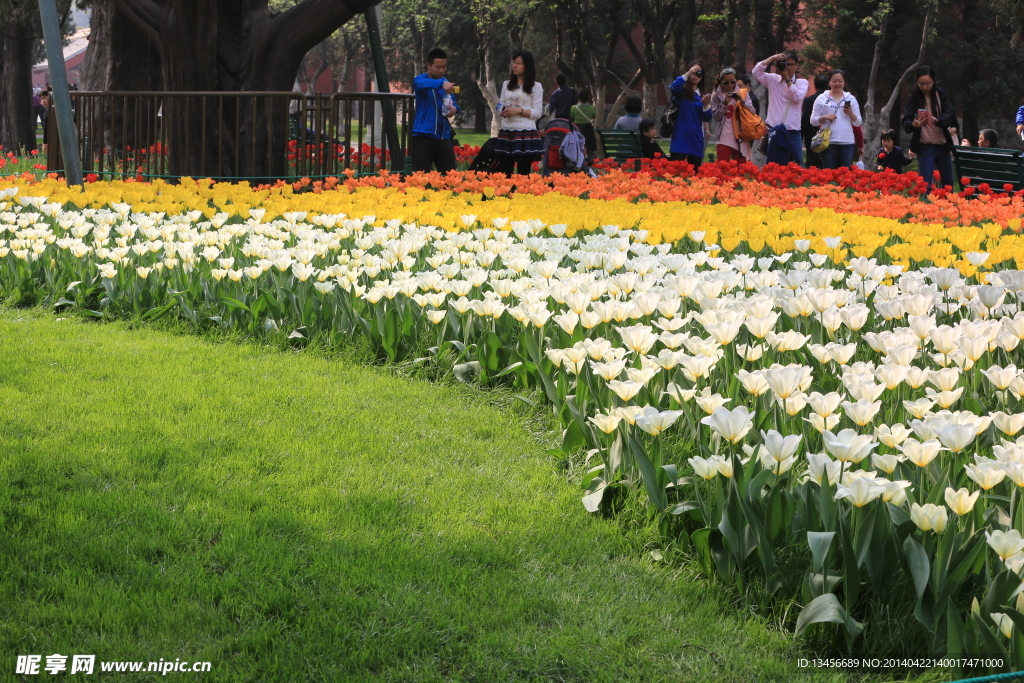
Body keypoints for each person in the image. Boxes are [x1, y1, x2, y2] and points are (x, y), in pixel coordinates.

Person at [901, 65, 956, 191]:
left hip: (943, 145)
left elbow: (949, 114)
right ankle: (927, 208)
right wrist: (913, 124)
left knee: (947, 182)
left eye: (928, 84)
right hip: (925, 146)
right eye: (921, 84)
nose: (924, 87)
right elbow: (906, 120)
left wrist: (938, 120)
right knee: (926, 183)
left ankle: (950, 207)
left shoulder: (942, 94)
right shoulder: (913, 97)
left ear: (934, 81)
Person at [753, 51, 808, 166]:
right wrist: (772, 57)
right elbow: (756, 72)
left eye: (791, 64)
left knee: (796, 166)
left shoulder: (802, 82)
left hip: (793, 132)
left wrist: (787, 79)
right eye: (785, 64)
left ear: (797, 66)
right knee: (774, 166)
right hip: (775, 131)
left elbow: (797, 98)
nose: (788, 67)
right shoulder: (772, 79)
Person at [494, 50, 544, 176]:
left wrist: (519, 111)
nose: (515, 66)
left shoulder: (535, 86)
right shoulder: (506, 84)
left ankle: (522, 195)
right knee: (505, 172)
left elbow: (537, 112)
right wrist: (502, 111)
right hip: (507, 131)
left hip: (525, 132)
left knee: (523, 173)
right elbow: (500, 104)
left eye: (519, 63)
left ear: (526, 66)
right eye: (514, 63)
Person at [411, 48, 460, 173]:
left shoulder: (446, 83)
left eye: (444, 67)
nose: (441, 70)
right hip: (423, 135)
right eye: (438, 67)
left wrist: (454, 109)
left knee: (450, 177)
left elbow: (454, 103)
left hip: (443, 136)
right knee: (420, 178)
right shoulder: (420, 79)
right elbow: (419, 84)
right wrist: (440, 84)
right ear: (429, 65)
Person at [809, 69, 862, 169]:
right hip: (828, 142)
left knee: (844, 176)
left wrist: (850, 113)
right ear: (829, 82)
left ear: (844, 82)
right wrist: (824, 117)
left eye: (840, 81)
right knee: (829, 174)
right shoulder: (821, 98)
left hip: (847, 142)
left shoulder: (850, 98)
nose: (837, 83)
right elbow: (813, 121)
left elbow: (858, 122)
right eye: (834, 81)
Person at [667, 61, 713, 169]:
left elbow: (707, 117)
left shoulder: (702, 96)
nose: (695, 75)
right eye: (693, 71)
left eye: (699, 73)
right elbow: (673, 87)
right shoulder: (681, 91)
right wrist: (688, 74)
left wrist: (706, 105)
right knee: (675, 171)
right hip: (680, 136)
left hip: (696, 138)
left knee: (694, 173)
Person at [710, 67, 756, 162]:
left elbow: (753, 111)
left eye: (733, 82)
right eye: (726, 82)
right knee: (723, 166)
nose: (730, 85)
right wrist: (724, 104)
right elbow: (716, 117)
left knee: (741, 167)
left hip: (741, 134)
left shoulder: (743, 93)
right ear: (721, 81)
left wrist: (742, 100)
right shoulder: (716, 96)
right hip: (724, 135)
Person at [802, 74, 829, 168]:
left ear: (815, 86)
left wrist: (801, 135)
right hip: (829, 135)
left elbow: (805, 118)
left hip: (812, 135)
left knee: (812, 162)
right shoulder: (832, 99)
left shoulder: (809, 100)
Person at [571, 90, 598, 157]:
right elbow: (594, 117)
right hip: (588, 130)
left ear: (579, 98)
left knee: (577, 148)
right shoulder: (592, 108)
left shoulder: (573, 108)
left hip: (577, 130)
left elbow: (572, 117)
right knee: (589, 150)